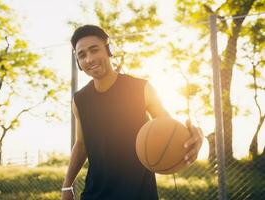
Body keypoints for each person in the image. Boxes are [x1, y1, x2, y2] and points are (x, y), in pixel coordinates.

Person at [61, 25, 204, 200]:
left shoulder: (141, 88)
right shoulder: (80, 100)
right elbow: (81, 144)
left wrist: (195, 135)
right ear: (78, 63)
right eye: (81, 55)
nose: (89, 59)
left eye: (94, 50)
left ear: (108, 50)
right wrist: (67, 186)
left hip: (139, 193)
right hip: (95, 194)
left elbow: (169, 127)